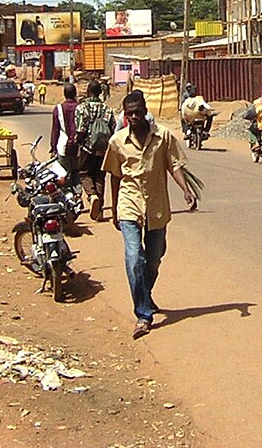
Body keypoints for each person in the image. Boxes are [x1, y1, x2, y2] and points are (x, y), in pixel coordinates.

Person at [102, 90, 196, 339]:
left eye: (137, 112)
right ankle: (143, 315)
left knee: (153, 259)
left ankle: (145, 293)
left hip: (156, 206)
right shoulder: (117, 142)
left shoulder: (163, 136)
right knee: (135, 258)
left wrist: (186, 191)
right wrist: (113, 209)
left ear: (145, 112)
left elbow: (174, 165)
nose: (133, 117)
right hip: (129, 204)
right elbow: (114, 176)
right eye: (129, 113)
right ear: (125, 114)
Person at [75, 79, 116, 221]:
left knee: (84, 173)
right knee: (100, 177)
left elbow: (80, 130)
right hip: (103, 150)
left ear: (88, 92)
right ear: (100, 93)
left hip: (87, 148)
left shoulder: (82, 108)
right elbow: (113, 129)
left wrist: (79, 141)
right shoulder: (107, 110)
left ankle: (91, 195)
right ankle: (99, 212)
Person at [51, 83, 80, 182]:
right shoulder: (81, 108)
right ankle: (77, 194)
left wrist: (53, 147)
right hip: (78, 148)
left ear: (64, 94)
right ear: (75, 94)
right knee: (77, 173)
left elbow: (55, 130)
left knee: (64, 173)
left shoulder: (58, 109)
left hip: (63, 147)